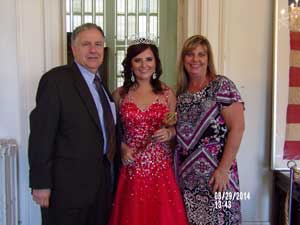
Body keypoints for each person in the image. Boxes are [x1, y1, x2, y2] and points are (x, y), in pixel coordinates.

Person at [28, 23, 121, 225]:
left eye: (98, 44)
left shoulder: (101, 85)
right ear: (73, 48)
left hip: (101, 187)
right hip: (66, 191)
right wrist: (40, 183)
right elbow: (41, 135)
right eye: (86, 44)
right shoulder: (56, 80)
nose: (93, 50)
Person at [108, 38, 189, 225]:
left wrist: (170, 133)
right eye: (138, 60)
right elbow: (110, 132)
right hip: (132, 168)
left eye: (149, 59)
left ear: (156, 63)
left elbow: (177, 127)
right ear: (130, 64)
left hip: (160, 169)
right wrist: (122, 147)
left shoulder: (167, 93)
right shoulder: (119, 95)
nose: (144, 65)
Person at [175, 35, 245, 225]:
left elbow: (237, 128)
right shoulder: (179, 94)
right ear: (183, 59)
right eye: (190, 54)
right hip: (187, 182)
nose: (195, 59)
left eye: (201, 54)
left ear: (208, 58)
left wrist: (223, 170)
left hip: (217, 179)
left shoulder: (221, 86)